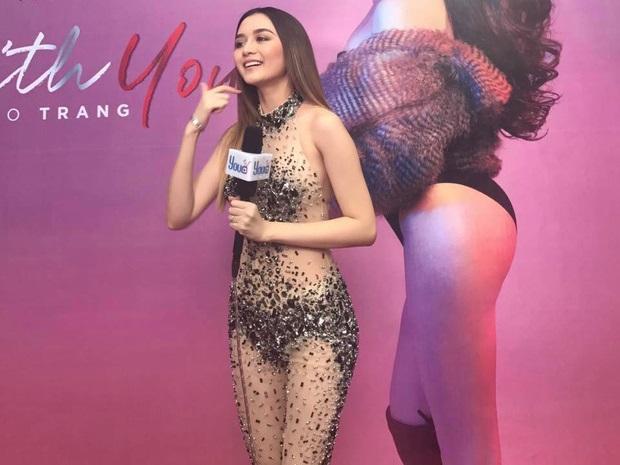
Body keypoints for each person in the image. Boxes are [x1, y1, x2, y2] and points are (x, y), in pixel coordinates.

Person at [321, 0, 561, 464]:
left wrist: (307, 197)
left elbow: (404, 148)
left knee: (468, 451)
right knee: (411, 419)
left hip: (450, 224)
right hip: (448, 223)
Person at [166, 6, 376, 465]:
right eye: (240, 42)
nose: (247, 49)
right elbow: (178, 215)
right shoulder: (239, 138)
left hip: (316, 320)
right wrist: (193, 128)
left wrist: (267, 229)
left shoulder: (321, 124)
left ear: (291, 48)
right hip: (251, 323)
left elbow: (364, 226)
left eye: (261, 38)